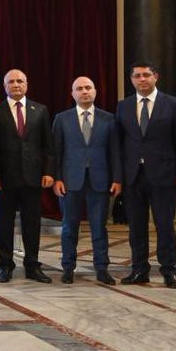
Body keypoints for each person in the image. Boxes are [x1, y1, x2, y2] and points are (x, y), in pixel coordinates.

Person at [116, 62, 176, 289]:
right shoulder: (124, 106)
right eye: (137, 76)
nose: (142, 79)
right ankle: (139, 270)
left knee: (165, 225)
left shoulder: (173, 104)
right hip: (133, 176)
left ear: (155, 77)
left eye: (146, 75)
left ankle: (169, 271)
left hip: (163, 175)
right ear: (131, 80)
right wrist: (118, 176)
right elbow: (119, 143)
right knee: (136, 227)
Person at [52, 76, 121, 285]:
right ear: (72, 93)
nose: (84, 91)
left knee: (99, 227)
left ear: (95, 91)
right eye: (79, 88)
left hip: (100, 180)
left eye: (88, 87)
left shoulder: (108, 119)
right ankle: (68, 267)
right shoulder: (62, 119)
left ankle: (102, 268)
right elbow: (56, 152)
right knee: (69, 227)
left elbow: (115, 151)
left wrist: (117, 178)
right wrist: (57, 178)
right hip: (70, 181)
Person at [0, 68, 54, 283]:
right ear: (4, 86)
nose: (16, 85)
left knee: (32, 224)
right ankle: (5, 265)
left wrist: (48, 172)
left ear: (26, 85)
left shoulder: (40, 110)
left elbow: (48, 145)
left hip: (33, 178)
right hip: (4, 179)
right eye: (11, 82)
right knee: (3, 224)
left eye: (20, 81)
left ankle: (32, 265)